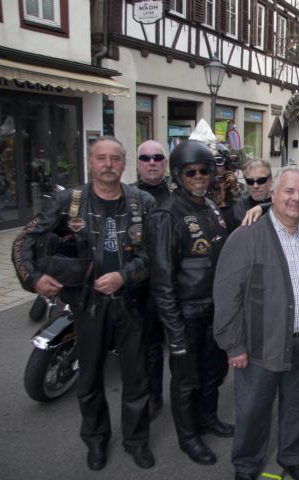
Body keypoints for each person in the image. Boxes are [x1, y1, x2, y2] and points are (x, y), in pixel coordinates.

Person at [12, 136, 156, 471]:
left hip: (130, 304)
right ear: (90, 162)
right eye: (101, 158)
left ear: (124, 163)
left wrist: (124, 276)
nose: (108, 164)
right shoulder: (68, 201)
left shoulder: (142, 202)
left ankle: (137, 441)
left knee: (137, 379)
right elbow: (24, 240)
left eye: (115, 158)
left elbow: (155, 255)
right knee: (89, 380)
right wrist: (33, 278)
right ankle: (96, 440)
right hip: (87, 305)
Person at [214, 166, 299, 480]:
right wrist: (233, 345)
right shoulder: (247, 235)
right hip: (261, 344)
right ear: (274, 194)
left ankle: (292, 456)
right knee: (253, 409)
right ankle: (246, 465)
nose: (296, 198)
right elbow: (226, 294)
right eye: (289, 191)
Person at [145, 140, 233, 466]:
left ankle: (208, 418)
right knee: (186, 381)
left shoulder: (210, 207)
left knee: (214, 372)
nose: (198, 177)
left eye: (204, 171)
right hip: (186, 314)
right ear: (178, 175)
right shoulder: (166, 215)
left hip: (215, 310)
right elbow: (162, 281)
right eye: (190, 172)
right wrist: (175, 333)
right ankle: (189, 437)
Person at [133, 139, 172, 419]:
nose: (151, 163)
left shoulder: (177, 195)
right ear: (137, 163)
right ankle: (152, 396)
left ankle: (190, 405)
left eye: (157, 157)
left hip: (174, 284)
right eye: (145, 158)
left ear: (165, 163)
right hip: (141, 286)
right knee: (148, 346)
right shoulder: (126, 196)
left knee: (183, 347)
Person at [218, 159, 273, 230]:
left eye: (261, 180)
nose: (255, 186)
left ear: (270, 179)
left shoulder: (281, 205)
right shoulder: (236, 210)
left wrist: (264, 207)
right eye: (250, 181)